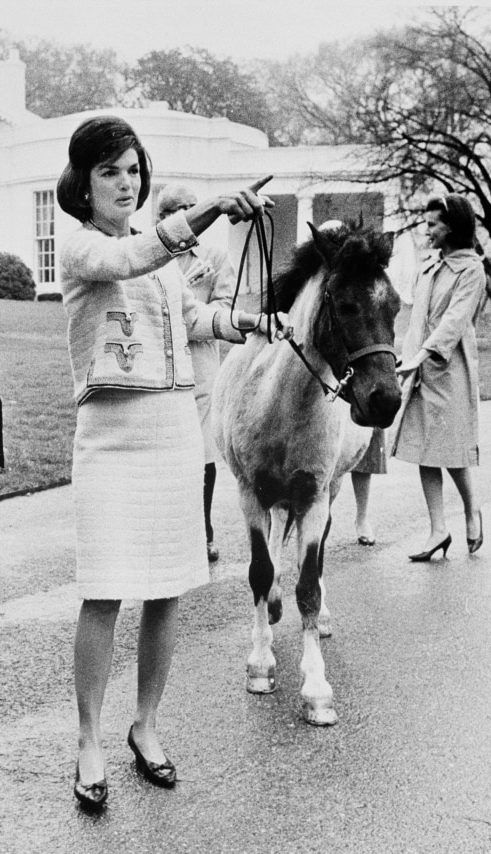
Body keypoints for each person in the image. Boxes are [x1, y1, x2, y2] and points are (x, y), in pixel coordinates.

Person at [56, 115, 284, 810]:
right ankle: (88, 738)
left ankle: (146, 725)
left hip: (172, 428)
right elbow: (129, 263)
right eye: (109, 171)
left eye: (132, 170)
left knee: (165, 589)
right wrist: (211, 209)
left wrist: (243, 323)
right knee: (103, 589)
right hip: (110, 429)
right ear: (83, 183)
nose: (125, 183)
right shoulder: (82, 248)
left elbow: (189, 315)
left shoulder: (153, 252)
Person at [392, 193, 487, 561]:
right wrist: (406, 358)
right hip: (419, 370)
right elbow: (417, 318)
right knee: (423, 450)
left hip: (449, 370)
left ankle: (472, 510)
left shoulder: (472, 269)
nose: (426, 230)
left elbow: (454, 322)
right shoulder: (429, 265)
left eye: (433, 224)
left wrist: (422, 357)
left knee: (451, 450)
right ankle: (437, 531)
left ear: (453, 227)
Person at [155, 183, 237, 562]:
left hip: (201, 359)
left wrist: (190, 312)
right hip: (158, 359)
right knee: (165, 445)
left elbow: (223, 306)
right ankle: (169, 528)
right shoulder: (154, 254)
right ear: (163, 218)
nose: (189, 213)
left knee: (203, 446)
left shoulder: (217, 256)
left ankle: (203, 530)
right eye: (178, 209)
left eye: (193, 206)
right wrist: (184, 292)